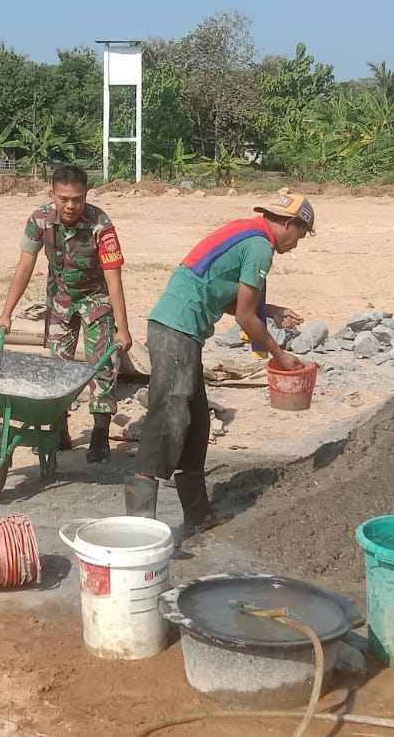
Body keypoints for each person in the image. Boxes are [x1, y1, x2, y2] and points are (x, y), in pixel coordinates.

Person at [125, 192, 315, 534]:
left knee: (196, 422)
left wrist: (269, 311)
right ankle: (140, 523)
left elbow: (215, 291)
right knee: (168, 416)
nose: (296, 245)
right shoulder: (261, 247)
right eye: (298, 236)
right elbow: (244, 315)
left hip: (179, 329)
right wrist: (278, 353)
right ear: (288, 224)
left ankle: (198, 513)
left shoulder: (245, 230)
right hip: (176, 330)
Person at [0, 164, 132, 463]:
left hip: (96, 300)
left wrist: (122, 328)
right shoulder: (39, 220)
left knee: (104, 364)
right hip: (59, 301)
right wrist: (6, 314)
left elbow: (113, 277)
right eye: (63, 198)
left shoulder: (101, 224)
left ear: (86, 195)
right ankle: (60, 430)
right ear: (53, 194)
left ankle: (99, 433)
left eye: (77, 199)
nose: (70, 205)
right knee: (58, 369)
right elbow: (25, 267)